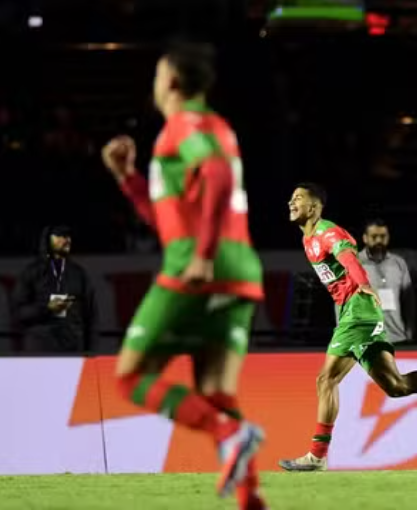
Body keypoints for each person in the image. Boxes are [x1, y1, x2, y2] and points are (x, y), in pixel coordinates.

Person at [100, 41, 266, 508]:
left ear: (171, 80)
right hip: (241, 272)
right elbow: (167, 221)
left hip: (197, 268)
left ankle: (227, 433)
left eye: (157, 74)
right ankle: (251, 498)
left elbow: (216, 174)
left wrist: (203, 254)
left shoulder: (182, 127)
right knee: (215, 392)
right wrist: (128, 178)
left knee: (130, 376)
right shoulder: (219, 126)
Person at [279, 183, 417, 472]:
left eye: (298, 198)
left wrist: (364, 284)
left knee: (326, 380)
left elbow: (348, 257)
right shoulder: (308, 239)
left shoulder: (327, 232)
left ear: (313, 207)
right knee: (396, 386)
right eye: (291, 198)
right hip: (355, 312)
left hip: (358, 310)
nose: (291, 202)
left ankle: (316, 455)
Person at [11, 225, 98, 353]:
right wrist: (46, 308)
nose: (65, 241)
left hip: (72, 347)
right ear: (47, 242)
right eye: (59, 237)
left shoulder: (78, 274)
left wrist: (90, 348)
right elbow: (18, 313)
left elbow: (90, 314)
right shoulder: (31, 273)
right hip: (40, 347)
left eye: (67, 237)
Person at [358, 218, 415, 344]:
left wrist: (410, 330)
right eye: (374, 237)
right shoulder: (355, 264)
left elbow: (408, 301)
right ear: (365, 238)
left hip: (397, 337)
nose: (379, 240)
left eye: (383, 236)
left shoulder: (399, 263)